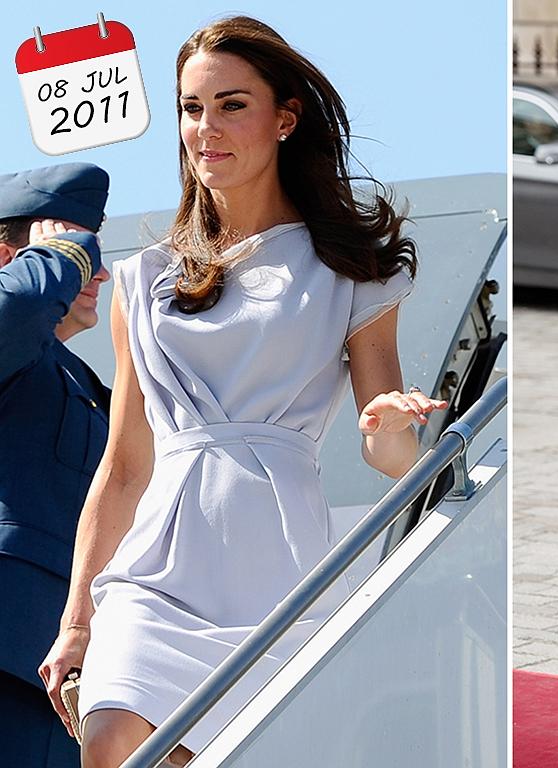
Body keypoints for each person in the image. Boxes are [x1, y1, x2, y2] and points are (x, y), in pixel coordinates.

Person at [37, 16, 446, 767]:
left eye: (231, 105)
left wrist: (390, 420)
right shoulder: (144, 279)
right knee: (111, 746)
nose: (206, 128)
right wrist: (76, 620)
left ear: (285, 118)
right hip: (152, 575)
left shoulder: (352, 272)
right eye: (193, 108)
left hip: (275, 569)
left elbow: (396, 457)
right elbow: (125, 466)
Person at [0, 163, 111, 768]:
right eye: (74, 243)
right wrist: (62, 253)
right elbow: (17, 308)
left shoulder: (85, 384)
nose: (98, 269)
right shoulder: (11, 340)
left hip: (66, 682)